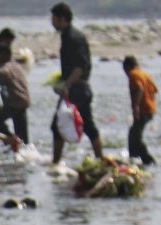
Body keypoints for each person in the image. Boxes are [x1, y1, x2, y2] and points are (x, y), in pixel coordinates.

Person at [49, 2, 104, 164]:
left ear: (62, 19)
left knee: (59, 125)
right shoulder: (68, 36)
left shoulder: (73, 38)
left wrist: (66, 84)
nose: (52, 22)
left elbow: (80, 66)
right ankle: (100, 159)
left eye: (54, 19)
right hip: (76, 87)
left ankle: (56, 162)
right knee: (85, 125)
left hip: (77, 88)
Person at [0, 44, 31, 146]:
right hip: (24, 101)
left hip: (15, 102)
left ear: (4, 55)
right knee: (22, 134)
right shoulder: (16, 65)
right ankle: (20, 144)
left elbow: (4, 72)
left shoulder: (7, 66)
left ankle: (11, 140)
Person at [124, 55, 158, 165]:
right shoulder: (146, 74)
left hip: (143, 109)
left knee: (135, 136)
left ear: (127, 67)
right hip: (151, 108)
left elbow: (140, 89)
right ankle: (133, 157)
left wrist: (136, 107)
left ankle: (148, 160)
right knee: (133, 133)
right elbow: (155, 90)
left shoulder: (134, 74)